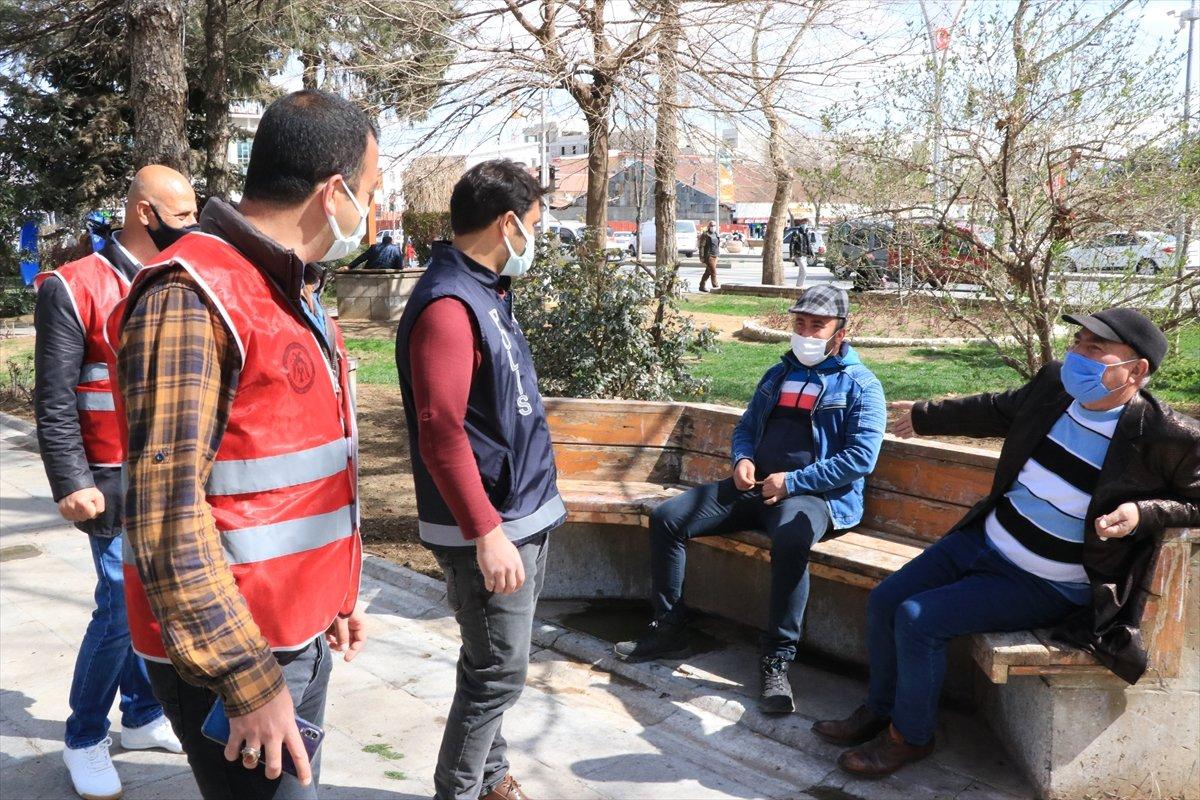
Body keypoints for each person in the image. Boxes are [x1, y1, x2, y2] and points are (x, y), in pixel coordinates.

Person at [110, 90, 372, 799]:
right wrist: (248, 681)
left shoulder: (289, 288)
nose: (367, 216)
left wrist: (336, 595)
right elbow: (167, 509)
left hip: (292, 632)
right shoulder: (193, 293)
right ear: (335, 191)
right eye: (369, 193)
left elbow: (297, 464)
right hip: (232, 654)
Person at [815, 308, 1200, 778]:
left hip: (1047, 581)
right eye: (1077, 342)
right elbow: (997, 408)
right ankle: (881, 708)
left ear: (1136, 370)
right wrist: (923, 416)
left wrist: (1145, 512)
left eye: (1095, 350)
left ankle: (910, 738)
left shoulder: (1166, 435)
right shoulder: (1055, 384)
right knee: (885, 600)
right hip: (987, 539)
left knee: (919, 619)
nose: (1076, 355)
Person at [615, 285, 887, 714]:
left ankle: (776, 660)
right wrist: (742, 458)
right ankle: (669, 629)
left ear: (840, 330)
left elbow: (859, 458)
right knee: (668, 517)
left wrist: (793, 482)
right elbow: (746, 428)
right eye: (800, 323)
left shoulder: (861, 386)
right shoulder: (777, 374)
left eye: (818, 325)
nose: (807, 333)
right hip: (753, 488)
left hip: (813, 497)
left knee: (792, 541)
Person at [395, 159, 566, 800]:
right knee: (498, 673)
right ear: (506, 224)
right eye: (534, 225)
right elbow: (442, 431)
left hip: (521, 509)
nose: (535, 237)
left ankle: (491, 779)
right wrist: (486, 531)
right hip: (490, 524)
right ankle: (460, 789)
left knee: (490, 664)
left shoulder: (485, 286)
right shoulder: (448, 304)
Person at [33, 166, 191, 800]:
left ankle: (144, 713)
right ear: (145, 214)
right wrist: (71, 480)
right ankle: (84, 735)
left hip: (170, 473)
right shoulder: (74, 287)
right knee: (122, 605)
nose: (194, 228)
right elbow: (54, 399)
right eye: (182, 217)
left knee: (148, 603)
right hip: (106, 478)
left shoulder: (178, 282)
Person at [790, 217, 815, 288]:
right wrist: (791, 255)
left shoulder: (807, 233)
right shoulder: (796, 232)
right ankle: (799, 285)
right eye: (804, 223)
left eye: (807, 223)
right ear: (801, 223)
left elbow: (809, 244)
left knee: (801, 271)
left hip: (804, 255)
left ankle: (799, 286)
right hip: (798, 255)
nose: (805, 225)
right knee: (804, 271)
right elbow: (792, 244)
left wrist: (812, 253)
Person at [697, 220, 721, 292]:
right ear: (708, 226)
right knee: (713, 271)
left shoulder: (716, 234)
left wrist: (718, 254)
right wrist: (701, 257)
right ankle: (715, 286)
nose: (713, 227)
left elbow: (717, 245)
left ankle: (701, 286)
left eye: (714, 226)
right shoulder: (705, 234)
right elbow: (701, 246)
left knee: (708, 272)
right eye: (711, 226)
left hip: (715, 255)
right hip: (709, 256)